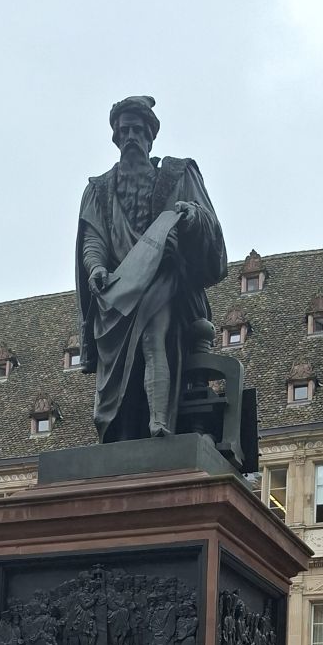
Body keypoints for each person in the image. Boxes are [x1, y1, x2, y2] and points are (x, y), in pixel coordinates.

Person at [76, 95, 227, 442]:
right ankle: (129, 432)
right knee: (136, 347)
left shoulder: (178, 174)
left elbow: (210, 226)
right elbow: (93, 240)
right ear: (116, 137)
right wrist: (96, 268)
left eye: (138, 130)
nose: (131, 137)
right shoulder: (99, 189)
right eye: (124, 131)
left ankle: (159, 422)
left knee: (153, 335)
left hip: (166, 281)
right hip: (117, 293)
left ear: (150, 136)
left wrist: (191, 216)